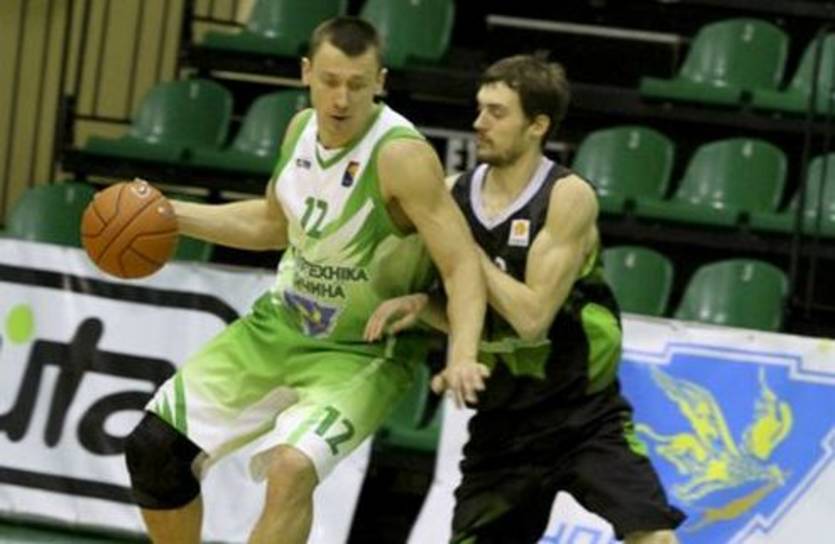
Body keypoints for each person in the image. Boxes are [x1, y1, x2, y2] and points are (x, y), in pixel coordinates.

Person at [123, 16, 488, 544]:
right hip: (279, 328)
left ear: (380, 81)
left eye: (357, 85)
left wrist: (463, 352)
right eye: (330, 81)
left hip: (358, 353)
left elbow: (461, 263)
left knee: (291, 469)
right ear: (306, 73)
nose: (341, 99)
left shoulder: (401, 156)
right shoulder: (299, 130)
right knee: (155, 448)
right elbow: (272, 225)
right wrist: (170, 213)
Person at [364, 55, 685, 543]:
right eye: (479, 108)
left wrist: (462, 247)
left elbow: (531, 318)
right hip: (502, 426)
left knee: (654, 536)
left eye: (497, 113)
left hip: (583, 416)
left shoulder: (566, 197)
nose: (479, 123)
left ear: (537, 125)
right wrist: (423, 306)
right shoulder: (453, 195)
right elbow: (476, 312)